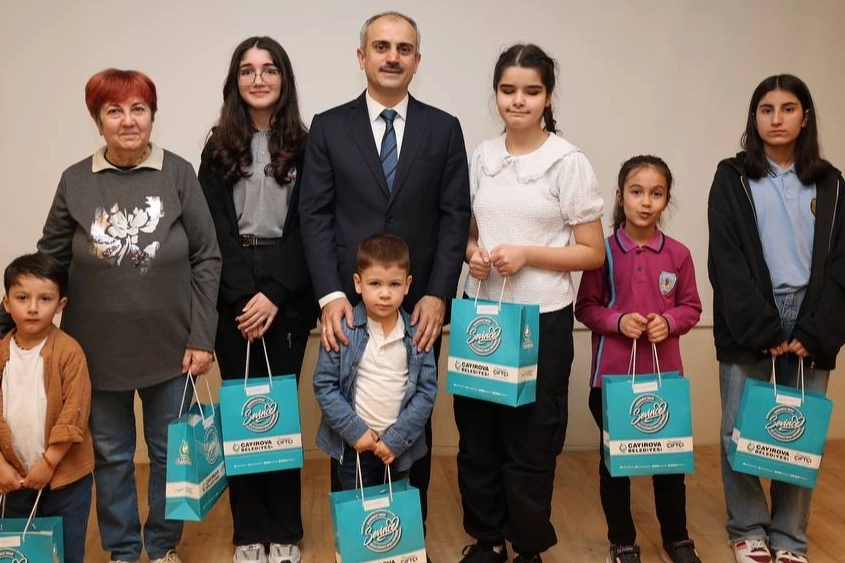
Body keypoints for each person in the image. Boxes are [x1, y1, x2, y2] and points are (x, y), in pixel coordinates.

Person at [35, 68, 221, 563]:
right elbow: (50, 261)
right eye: (114, 110)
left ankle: (161, 547)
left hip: (173, 349)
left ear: (152, 115)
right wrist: (27, 325)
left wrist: (202, 336)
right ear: (98, 120)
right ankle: (121, 551)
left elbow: (208, 257)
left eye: (138, 109)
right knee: (112, 457)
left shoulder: (178, 173)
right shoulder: (75, 180)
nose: (128, 120)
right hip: (94, 353)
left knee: (169, 454)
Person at [299, 10, 470, 525]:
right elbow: (314, 214)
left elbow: (454, 216)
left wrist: (438, 294)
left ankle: (407, 538)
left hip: (418, 306)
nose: (392, 57)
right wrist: (331, 294)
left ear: (417, 60)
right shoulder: (329, 127)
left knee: (413, 412)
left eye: (403, 48)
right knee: (348, 411)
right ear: (362, 56)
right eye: (381, 47)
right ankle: (359, 535)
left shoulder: (444, 129)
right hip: (349, 305)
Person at [458, 44, 605, 563]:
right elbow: (470, 234)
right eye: (508, 90)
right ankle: (487, 540)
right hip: (482, 315)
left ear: (548, 97)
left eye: (531, 91)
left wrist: (527, 255)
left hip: (541, 322)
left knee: (531, 440)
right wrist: (474, 255)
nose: (518, 101)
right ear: (496, 94)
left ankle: (527, 546)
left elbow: (593, 252)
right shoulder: (482, 156)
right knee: (478, 436)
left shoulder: (567, 161)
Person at [708, 74, 845, 563]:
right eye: (766, 109)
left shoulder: (830, 182)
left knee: (799, 432)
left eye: (788, 109)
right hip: (751, 317)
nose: (777, 118)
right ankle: (748, 529)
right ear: (755, 118)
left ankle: (789, 537)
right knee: (738, 429)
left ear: (805, 117)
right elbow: (726, 259)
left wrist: (817, 329)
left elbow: (841, 262)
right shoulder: (732, 177)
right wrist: (761, 327)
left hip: (812, 315)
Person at [198, 36, 317, 563]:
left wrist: (274, 294)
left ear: (283, 79)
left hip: (286, 291)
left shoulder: (309, 145)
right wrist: (244, 296)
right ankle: (249, 532)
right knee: (242, 414)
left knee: (278, 414)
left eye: (269, 69)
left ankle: (285, 531)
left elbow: (312, 225)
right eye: (247, 71)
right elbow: (211, 227)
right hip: (233, 290)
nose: (259, 79)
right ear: (235, 81)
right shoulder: (217, 147)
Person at [574, 155, 703, 563]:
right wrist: (617, 321)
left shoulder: (679, 254)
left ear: (666, 199)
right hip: (611, 383)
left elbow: (692, 307)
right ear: (619, 196)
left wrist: (670, 321)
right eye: (636, 191)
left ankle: (676, 539)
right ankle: (622, 541)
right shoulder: (602, 253)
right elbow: (585, 308)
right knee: (616, 467)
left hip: (665, 383)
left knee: (670, 466)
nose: (646, 202)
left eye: (656, 193)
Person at [313, 233, 437, 491]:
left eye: (394, 284)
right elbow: (324, 386)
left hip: (398, 450)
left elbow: (426, 392)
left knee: (392, 514)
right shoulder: (343, 330)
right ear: (358, 283)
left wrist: (396, 440)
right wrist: (355, 431)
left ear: (407, 284)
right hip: (355, 447)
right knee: (356, 513)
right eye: (375, 283)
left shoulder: (417, 334)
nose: (385, 294)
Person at [0, 253, 94, 563]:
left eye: (44, 299)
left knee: (65, 550)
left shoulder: (69, 353)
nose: (32, 307)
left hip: (66, 478)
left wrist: (49, 462)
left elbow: (74, 414)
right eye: (22, 298)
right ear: (6, 303)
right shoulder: (2, 353)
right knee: (18, 551)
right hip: (14, 479)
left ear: (60, 304)